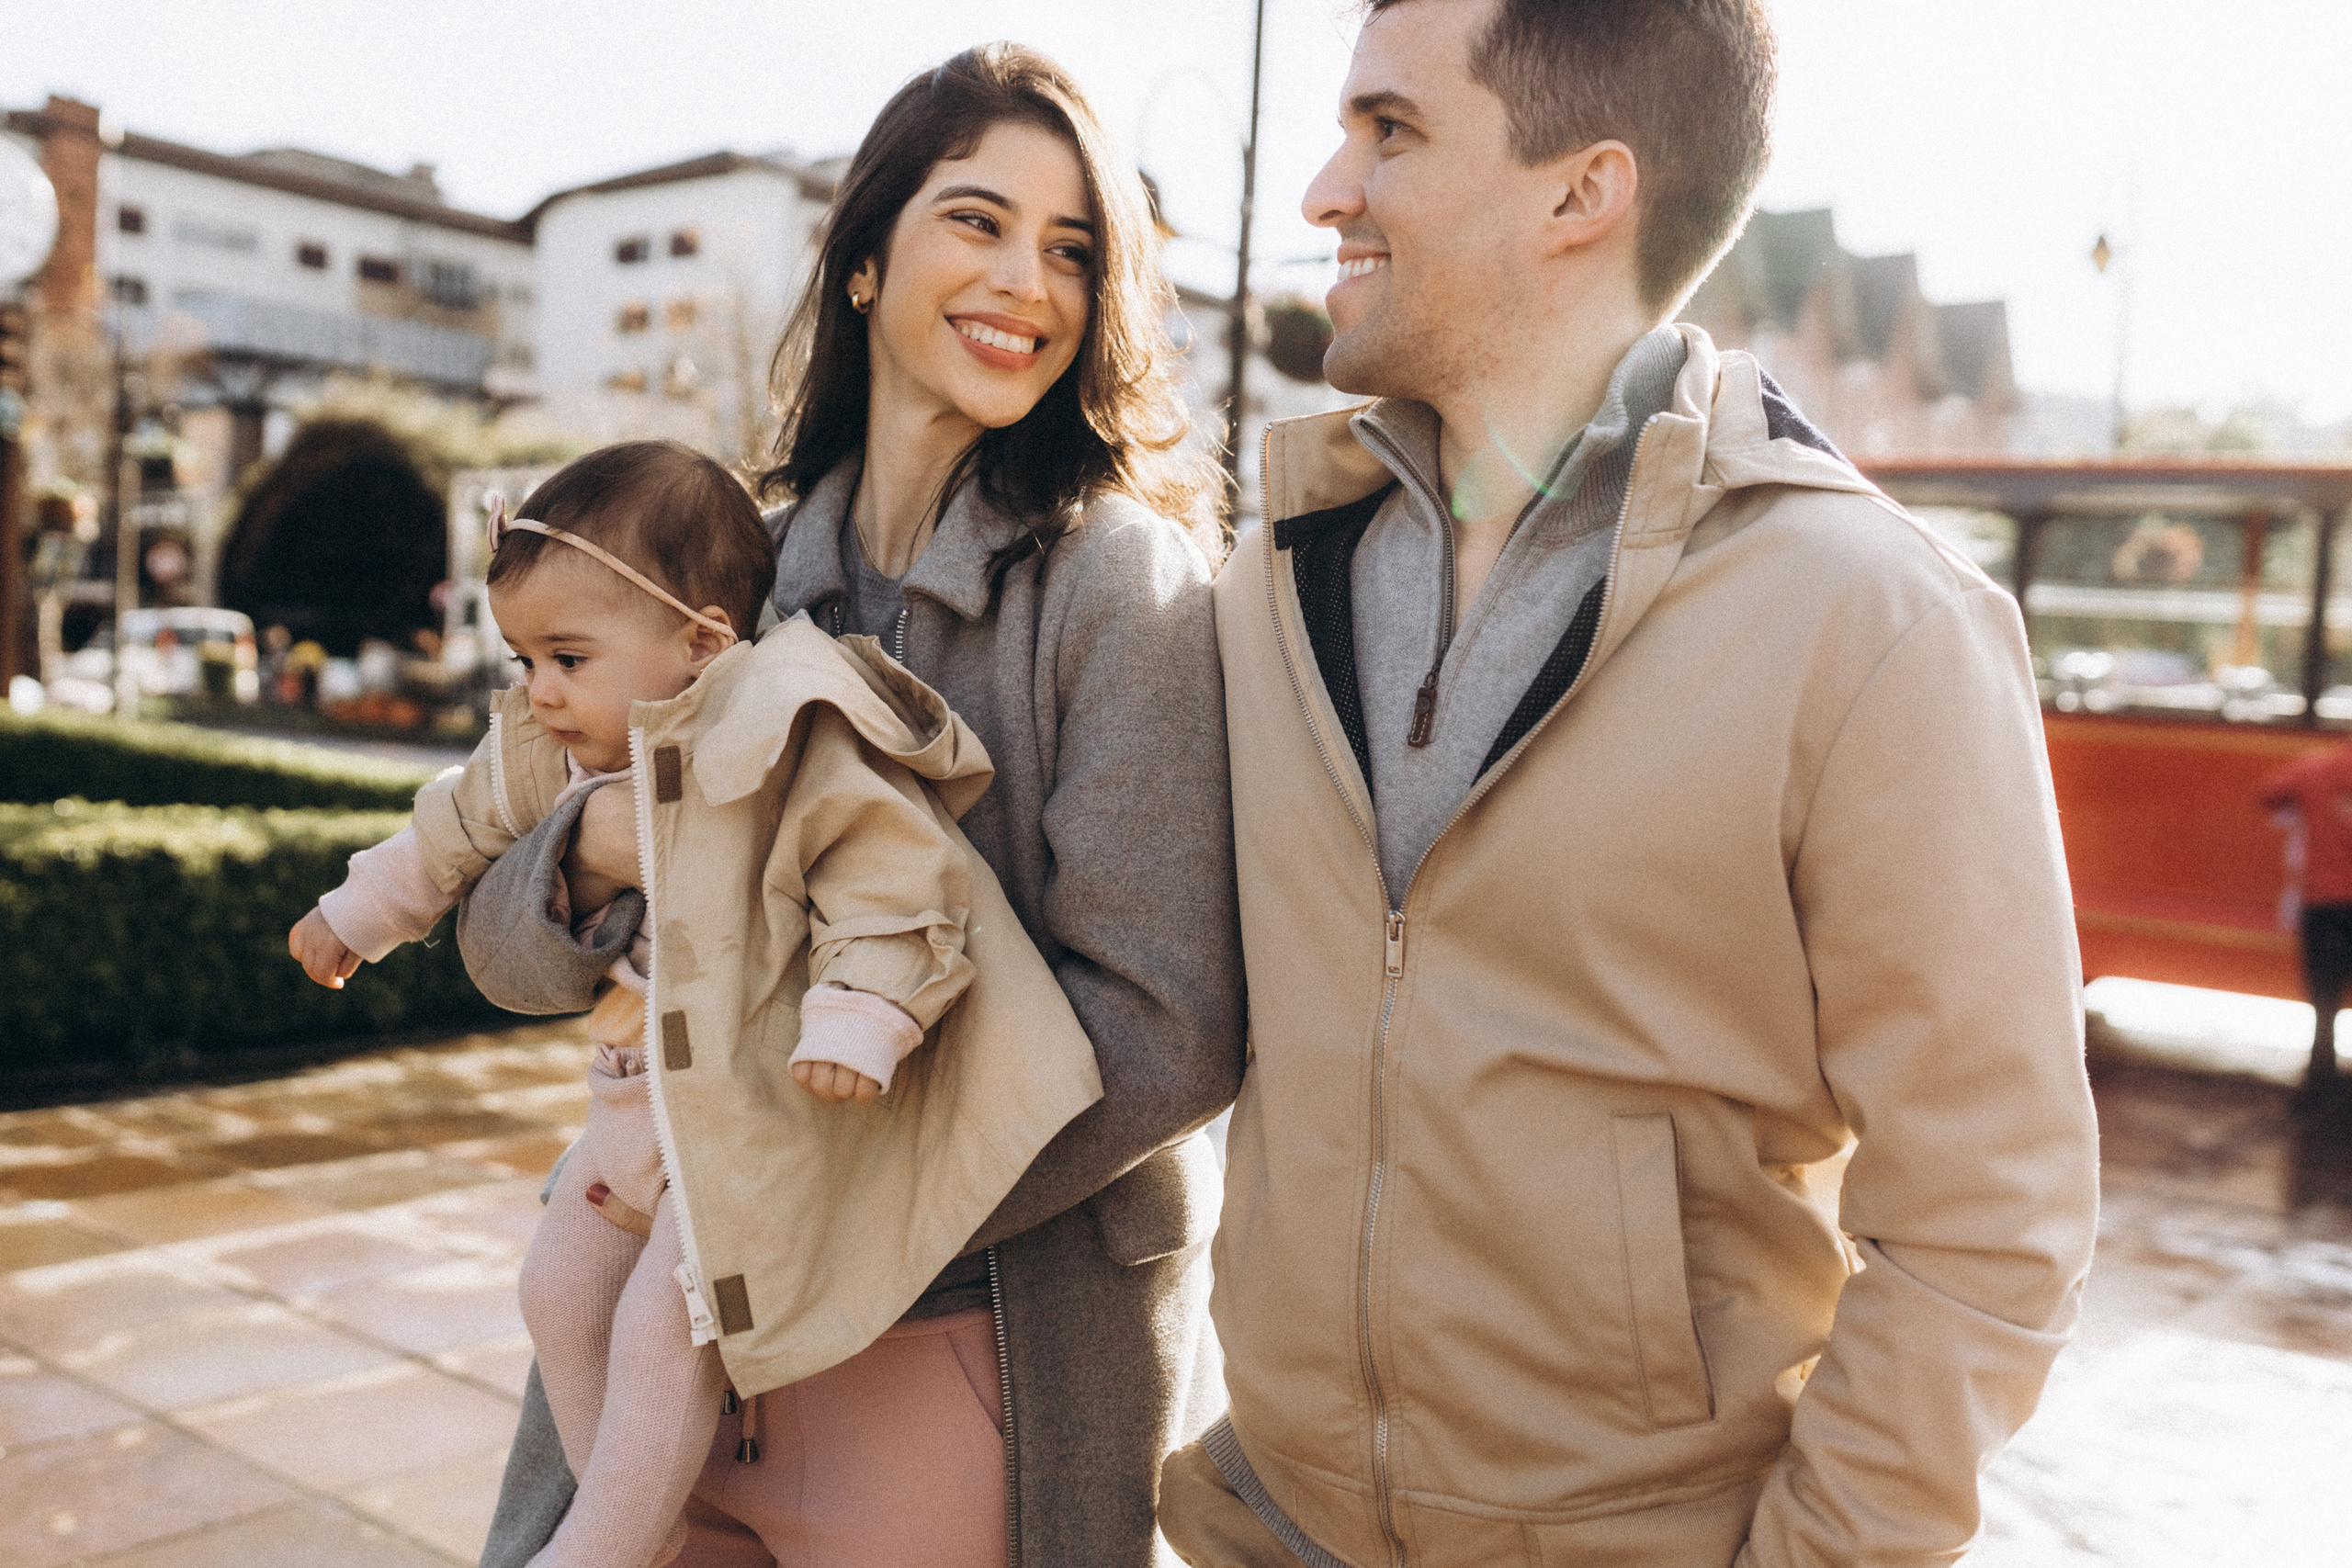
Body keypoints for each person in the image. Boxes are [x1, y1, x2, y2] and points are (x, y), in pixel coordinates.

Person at [1158, 3, 2101, 1565]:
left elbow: (1988, 1222)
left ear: (1581, 191)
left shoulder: (1874, 619)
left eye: (1390, 131)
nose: (1328, 190)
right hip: (1271, 1523)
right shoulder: (1265, 580)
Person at [473, 44, 1245, 1568]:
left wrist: (807, 1203)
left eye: (1071, 248)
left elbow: (1169, 1029)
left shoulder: (1116, 580)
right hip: (681, 1336)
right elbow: (501, 937)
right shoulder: (717, 571)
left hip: (972, 1348)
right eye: (978, 220)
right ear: (865, 260)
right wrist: (599, 847)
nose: (1025, 280)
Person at [291, 440, 1102, 1568]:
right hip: (632, 1104)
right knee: (555, 1291)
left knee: (668, 1323)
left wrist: (860, 1018)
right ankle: (640, 1517)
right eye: (525, 657)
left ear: (702, 643)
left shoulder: (781, 723)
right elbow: (455, 827)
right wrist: (359, 914)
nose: (539, 689)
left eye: (568, 657)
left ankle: (601, 1548)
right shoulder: (552, 748)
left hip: (748, 1113)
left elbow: (889, 870)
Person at [2259, 739, 2352, 1105]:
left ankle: (2320, 1080)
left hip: (2322, 899)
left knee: (2324, 996)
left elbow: (2268, 794)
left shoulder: (2314, 770)